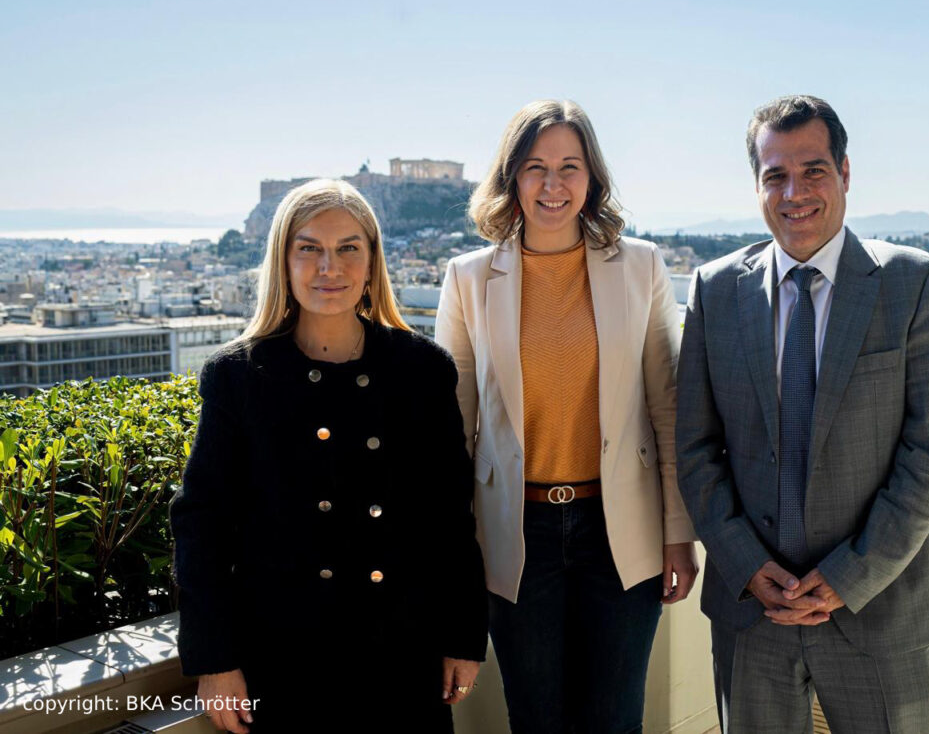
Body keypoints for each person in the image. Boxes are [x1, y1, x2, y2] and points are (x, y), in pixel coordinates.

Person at [675, 95, 929, 733]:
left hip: (882, 609)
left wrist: (849, 575)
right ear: (757, 184)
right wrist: (747, 566)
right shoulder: (714, 291)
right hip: (753, 613)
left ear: (845, 173)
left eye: (813, 170)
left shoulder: (917, 284)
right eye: (775, 175)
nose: (794, 193)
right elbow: (694, 448)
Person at [170, 179, 487, 733]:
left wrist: (462, 637)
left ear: (371, 261)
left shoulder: (422, 370)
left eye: (348, 248)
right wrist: (214, 660)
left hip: (402, 651)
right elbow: (202, 522)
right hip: (285, 656)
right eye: (309, 248)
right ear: (283, 261)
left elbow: (449, 517)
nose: (329, 267)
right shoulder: (238, 376)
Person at [435, 99, 699, 734]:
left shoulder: (641, 266)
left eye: (569, 166)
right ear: (511, 178)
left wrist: (678, 531)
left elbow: (667, 404)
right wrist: (453, 547)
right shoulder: (468, 277)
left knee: (614, 719)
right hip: (514, 532)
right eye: (535, 167)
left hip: (621, 527)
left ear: (592, 177)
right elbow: (453, 426)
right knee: (537, 719)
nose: (552, 184)